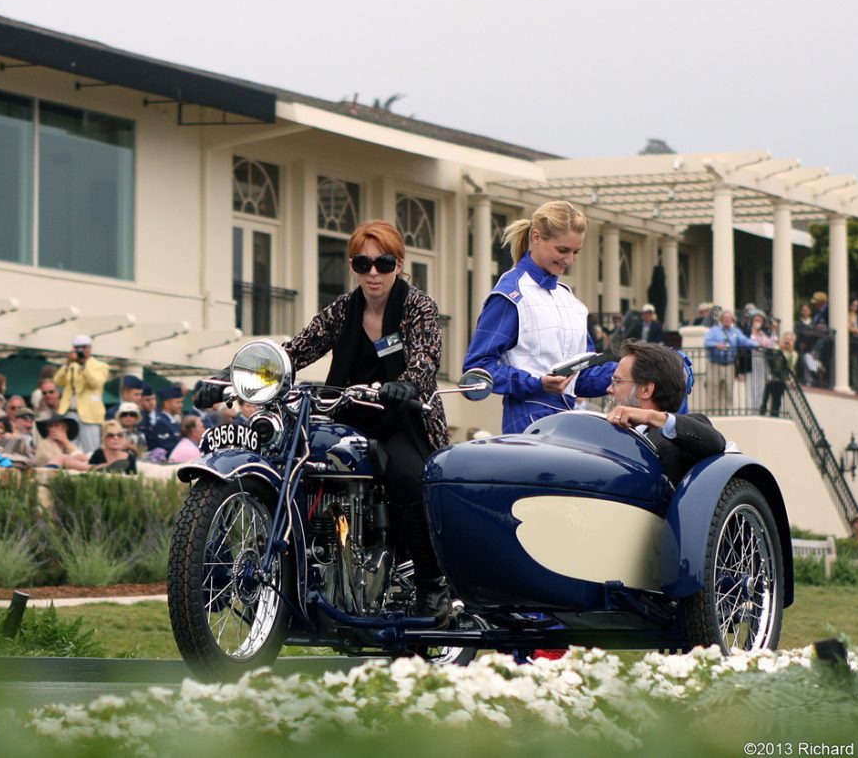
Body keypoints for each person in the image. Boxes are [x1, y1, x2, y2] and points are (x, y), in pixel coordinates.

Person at [281, 219, 451, 621]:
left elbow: (426, 357)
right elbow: (295, 351)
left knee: (408, 477)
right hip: (346, 417)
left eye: (384, 263)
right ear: (353, 267)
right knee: (294, 462)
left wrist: (406, 384)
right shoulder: (342, 310)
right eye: (363, 263)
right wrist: (239, 376)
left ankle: (432, 585)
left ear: (400, 264)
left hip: (402, 419)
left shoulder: (418, 307)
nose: (373, 273)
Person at [462, 201, 616, 434]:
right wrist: (537, 384)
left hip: (568, 421)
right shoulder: (510, 294)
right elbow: (478, 369)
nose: (569, 260)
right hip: (527, 420)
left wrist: (633, 371)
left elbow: (583, 377)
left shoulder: (570, 301)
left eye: (575, 252)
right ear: (536, 237)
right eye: (562, 250)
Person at [604, 340, 726, 483]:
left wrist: (651, 417)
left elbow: (715, 442)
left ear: (646, 390)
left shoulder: (675, 440)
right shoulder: (610, 433)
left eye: (617, 381)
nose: (609, 389)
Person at [54, 334, 110, 454]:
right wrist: (67, 363)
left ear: (90, 349)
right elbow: (57, 381)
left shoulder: (100, 366)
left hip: (90, 414)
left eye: (83, 347)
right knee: (69, 449)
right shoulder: (71, 366)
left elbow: (94, 383)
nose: (80, 350)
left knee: (91, 450)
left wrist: (84, 365)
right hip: (70, 413)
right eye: (77, 347)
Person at [703, 309, 757, 412]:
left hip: (730, 365)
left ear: (732, 320)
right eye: (725, 318)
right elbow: (707, 343)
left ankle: (725, 412)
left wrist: (757, 344)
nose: (728, 320)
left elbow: (744, 341)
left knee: (728, 390)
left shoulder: (735, 332)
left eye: (730, 319)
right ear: (721, 319)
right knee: (714, 389)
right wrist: (716, 345)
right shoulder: (714, 330)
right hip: (715, 364)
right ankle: (713, 412)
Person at [760, 332, 797, 418]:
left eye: (790, 340)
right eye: (786, 339)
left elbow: (790, 365)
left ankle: (774, 415)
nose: (787, 341)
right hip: (772, 376)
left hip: (782, 379)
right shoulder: (777, 348)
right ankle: (763, 410)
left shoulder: (794, 354)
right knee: (766, 394)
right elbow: (771, 355)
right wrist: (781, 346)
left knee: (777, 399)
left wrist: (790, 352)